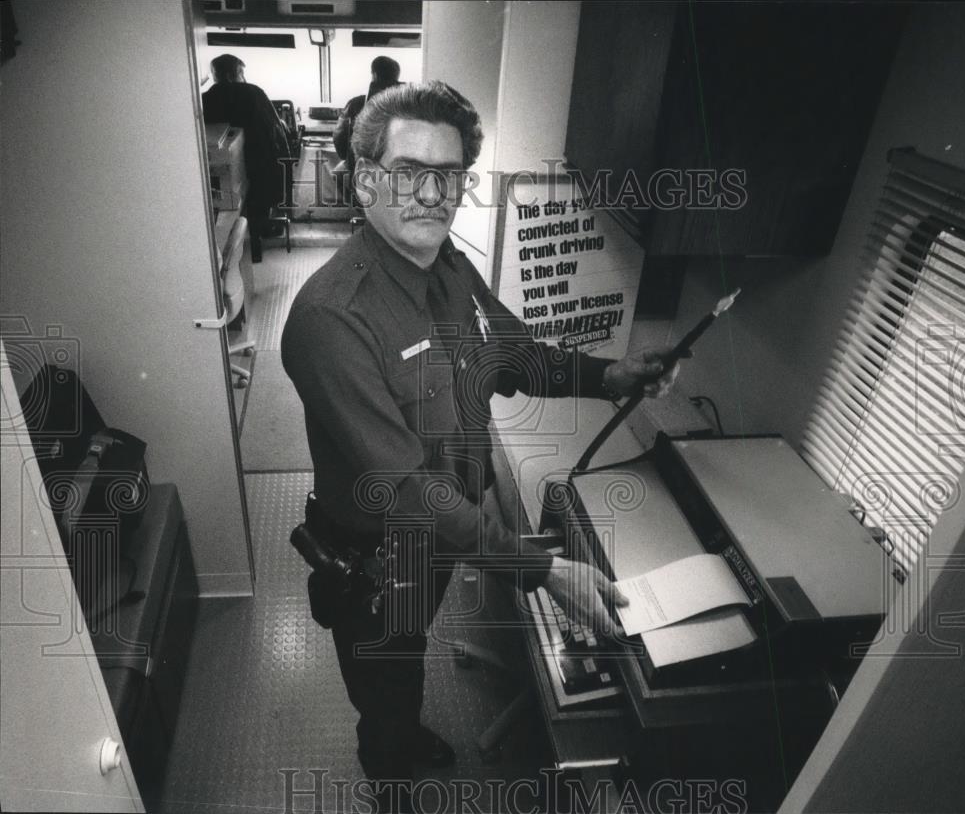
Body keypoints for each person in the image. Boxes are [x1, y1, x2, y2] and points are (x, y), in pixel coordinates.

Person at [281, 81, 684, 811]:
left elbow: (515, 355)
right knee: (387, 677)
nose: (435, 191)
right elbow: (407, 489)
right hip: (379, 554)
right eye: (411, 171)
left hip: (440, 543)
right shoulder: (330, 318)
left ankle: (404, 735)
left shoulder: (454, 271)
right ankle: (392, 772)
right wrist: (538, 567)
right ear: (367, 177)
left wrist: (609, 373)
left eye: (452, 173)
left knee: (411, 659)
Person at [202, 54, 290, 261]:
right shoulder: (255, 93)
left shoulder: (205, 99)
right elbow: (276, 130)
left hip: (225, 171)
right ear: (236, 73)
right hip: (262, 164)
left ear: (215, 74)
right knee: (258, 208)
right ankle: (257, 249)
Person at [332, 56, 404, 189]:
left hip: (364, 170)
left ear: (374, 75)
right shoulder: (407, 102)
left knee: (338, 173)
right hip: (399, 171)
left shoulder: (355, 104)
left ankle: (361, 207)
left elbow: (340, 141)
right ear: (397, 76)